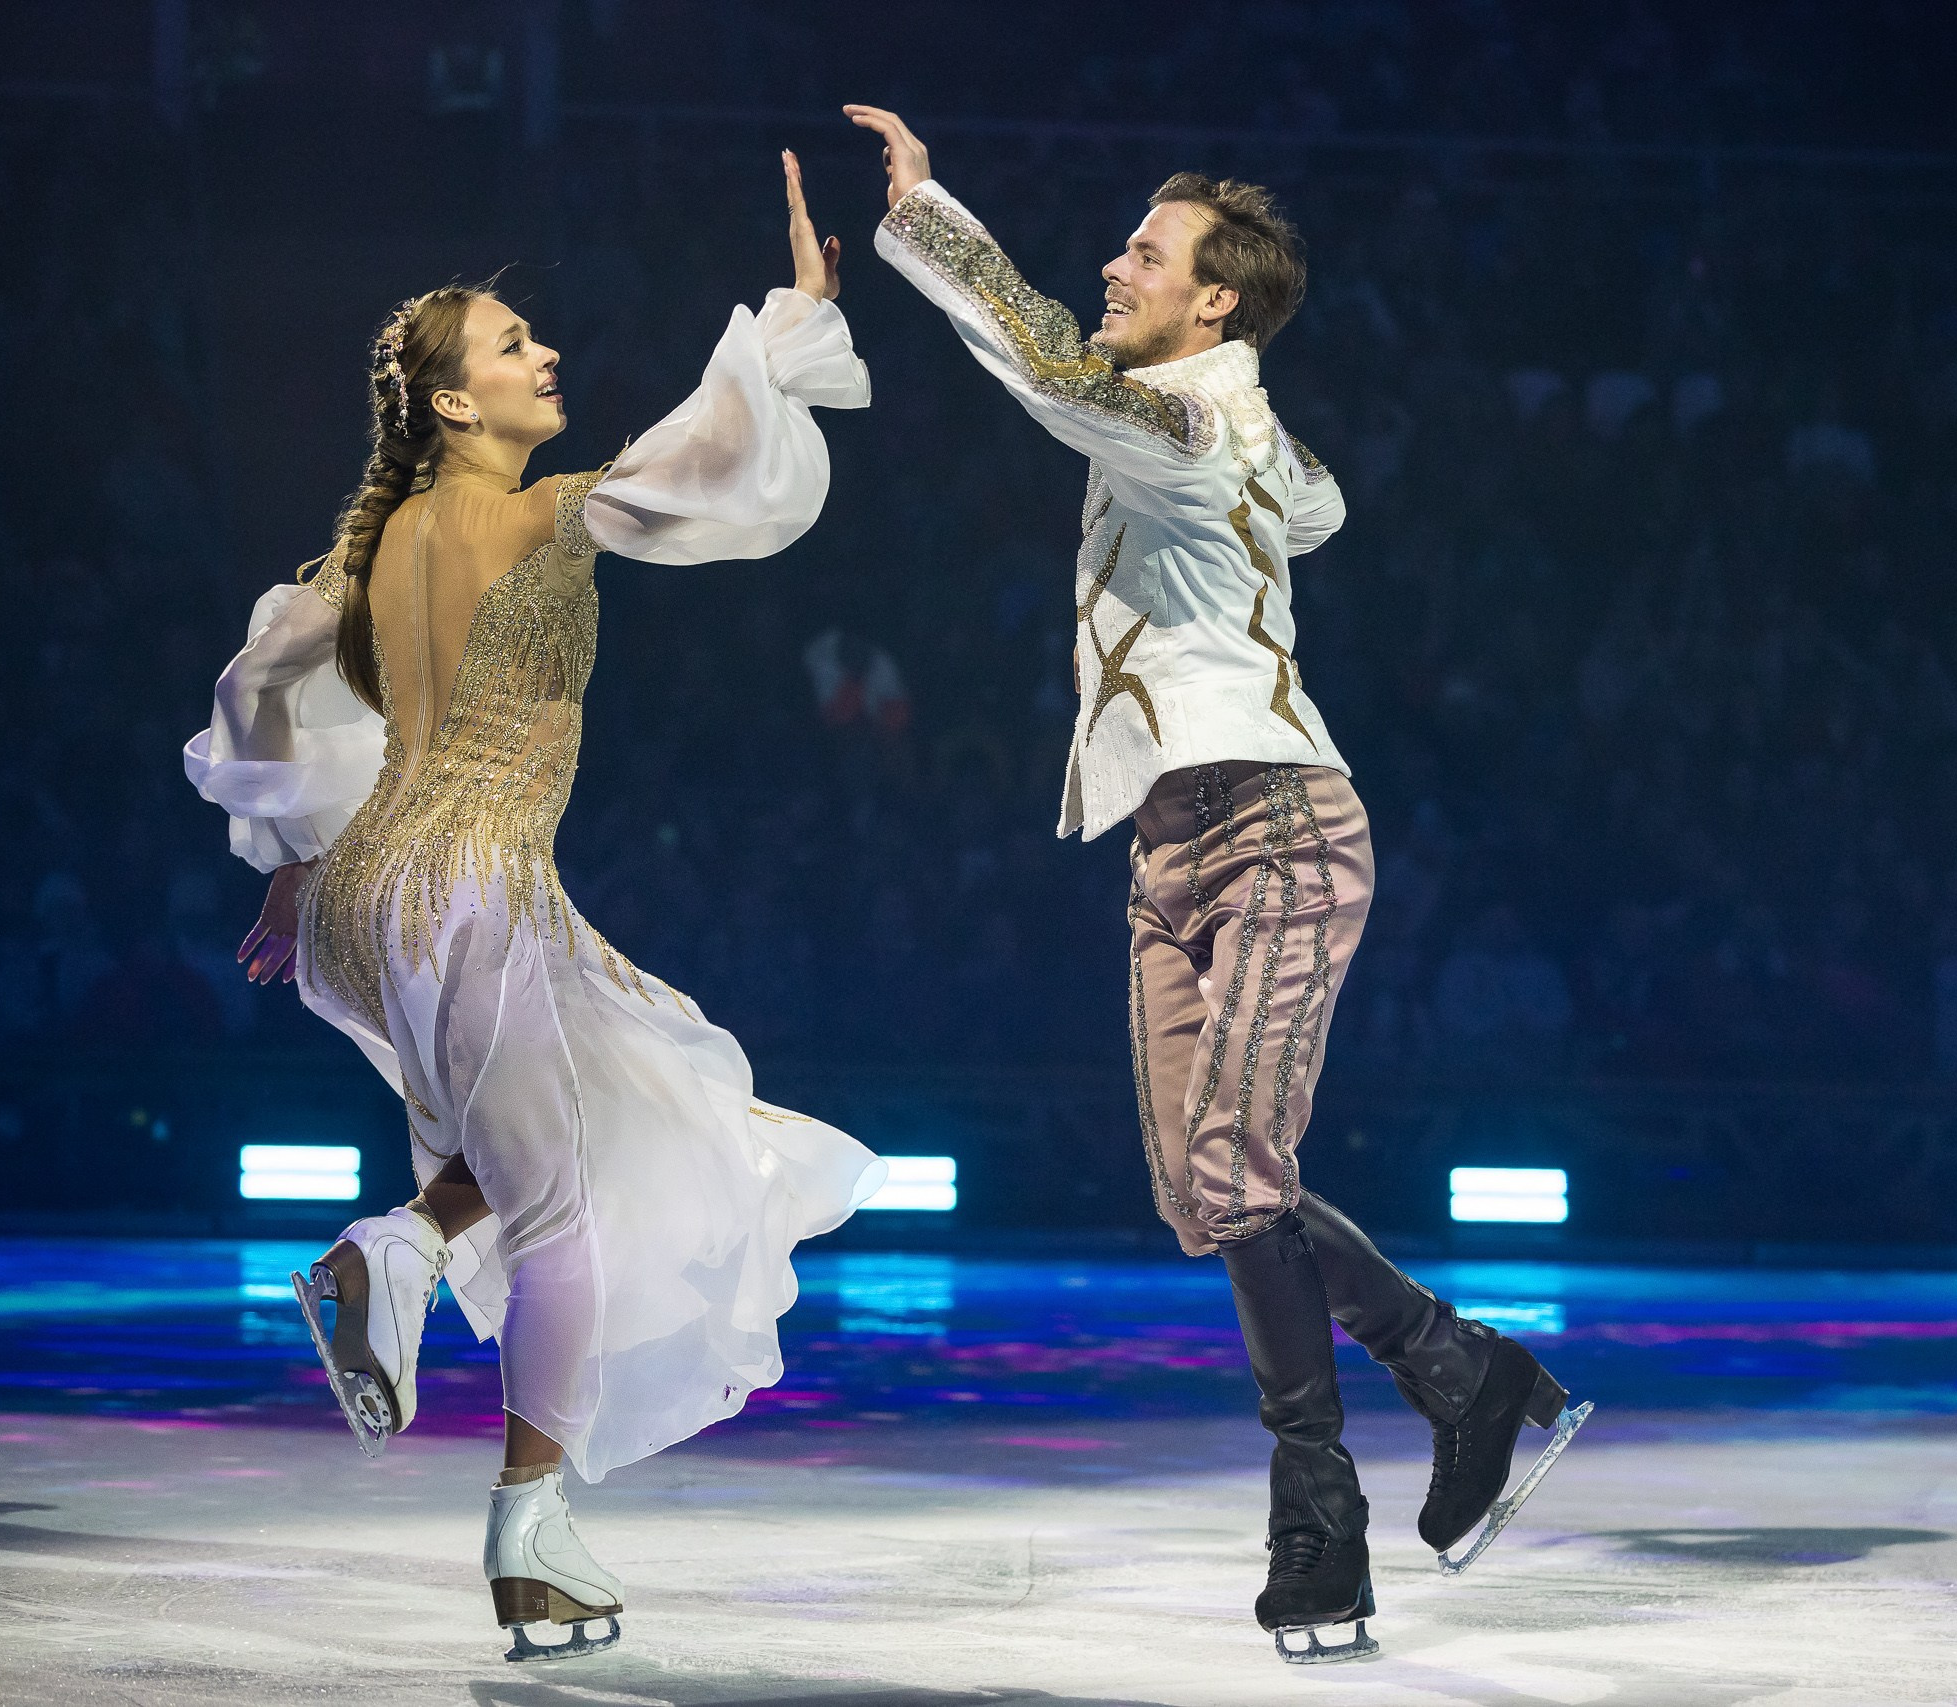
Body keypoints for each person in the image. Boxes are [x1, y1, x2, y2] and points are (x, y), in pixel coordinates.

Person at [846, 107, 1589, 1665]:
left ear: (1216, 305)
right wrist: (1256, 475)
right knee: (1208, 1195)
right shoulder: (1221, 432)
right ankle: (1463, 1377)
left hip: (1279, 828)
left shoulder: (1182, 427)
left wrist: (926, 217)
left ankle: (1323, 1509)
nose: (1114, 266)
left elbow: (1050, 373)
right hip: (1166, 839)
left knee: (1241, 1168)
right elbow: (1317, 509)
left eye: (1145, 252)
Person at [182, 153, 885, 1664]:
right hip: (472, 894)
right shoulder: (540, 516)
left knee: (603, 1118)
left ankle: (403, 1255)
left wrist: (293, 864)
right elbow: (715, 467)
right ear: (449, 401)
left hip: (379, 899)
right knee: (561, 1205)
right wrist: (792, 326)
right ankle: (529, 1538)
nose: (544, 353)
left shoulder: (364, 561)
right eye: (511, 345)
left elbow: (255, 688)